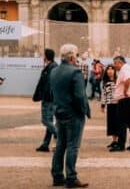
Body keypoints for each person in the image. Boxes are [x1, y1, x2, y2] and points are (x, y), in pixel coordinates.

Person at [50, 43, 91, 188]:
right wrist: (83, 111)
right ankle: (71, 177)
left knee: (60, 145)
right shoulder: (75, 72)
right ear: (72, 57)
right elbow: (80, 96)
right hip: (73, 114)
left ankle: (57, 176)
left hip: (59, 112)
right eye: (77, 55)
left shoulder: (54, 71)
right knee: (73, 146)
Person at [113, 55, 130, 151]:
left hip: (126, 99)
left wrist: (125, 91)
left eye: (115, 63)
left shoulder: (124, 69)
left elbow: (128, 79)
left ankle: (121, 145)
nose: (114, 66)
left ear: (120, 62)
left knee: (122, 122)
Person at [34, 48, 58, 152]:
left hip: (48, 98)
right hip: (50, 97)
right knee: (50, 121)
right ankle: (45, 144)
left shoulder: (51, 67)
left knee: (46, 120)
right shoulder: (51, 66)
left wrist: (44, 95)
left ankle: (59, 135)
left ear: (46, 56)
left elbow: (48, 84)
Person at [100, 64, 119, 150]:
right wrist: (103, 105)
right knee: (111, 123)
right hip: (110, 105)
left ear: (115, 71)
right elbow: (104, 95)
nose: (110, 71)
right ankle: (114, 140)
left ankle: (118, 141)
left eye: (112, 69)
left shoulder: (118, 81)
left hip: (118, 105)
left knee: (117, 123)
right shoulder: (105, 82)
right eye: (108, 69)